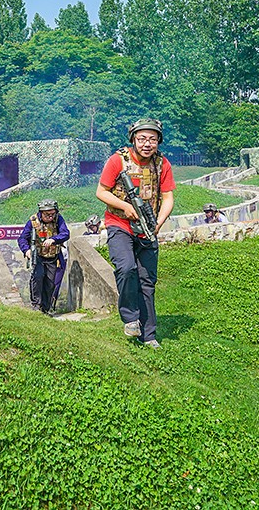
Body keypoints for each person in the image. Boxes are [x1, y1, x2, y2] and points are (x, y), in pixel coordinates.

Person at [95, 118, 175, 349]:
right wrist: (125, 207)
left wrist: (158, 222)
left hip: (148, 228)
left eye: (152, 139)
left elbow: (168, 197)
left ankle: (148, 334)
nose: (147, 144)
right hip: (119, 223)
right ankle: (130, 318)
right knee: (126, 267)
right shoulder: (118, 160)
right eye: (142, 139)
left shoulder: (162, 164)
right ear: (133, 140)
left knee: (147, 282)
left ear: (159, 141)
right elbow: (102, 192)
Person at [17, 199, 70, 314]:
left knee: (50, 283)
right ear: (41, 213)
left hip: (53, 257)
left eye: (52, 214)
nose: (50, 217)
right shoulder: (33, 221)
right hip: (39, 256)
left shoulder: (58, 219)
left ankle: (46, 308)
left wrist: (54, 240)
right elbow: (22, 238)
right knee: (38, 277)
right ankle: (36, 305)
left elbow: (66, 234)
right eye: (47, 215)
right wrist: (26, 250)